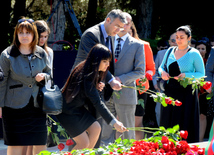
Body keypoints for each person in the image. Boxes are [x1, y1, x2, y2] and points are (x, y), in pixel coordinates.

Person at [71, 9, 127, 148]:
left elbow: (107, 64)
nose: (119, 30)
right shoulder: (91, 34)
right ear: (108, 20)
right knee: (81, 135)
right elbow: (96, 62)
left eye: (122, 28)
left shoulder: (110, 35)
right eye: (117, 26)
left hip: (97, 87)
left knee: (96, 131)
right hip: (82, 88)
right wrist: (111, 80)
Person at [56, 44, 127, 150]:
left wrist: (96, 85)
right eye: (104, 61)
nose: (107, 65)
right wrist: (114, 122)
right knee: (83, 143)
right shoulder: (87, 75)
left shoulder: (89, 69)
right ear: (96, 60)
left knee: (96, 128)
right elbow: (98, 103)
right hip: (67, 111)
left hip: (77, 109)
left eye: (108, 62)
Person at [0, 17, 51, 155]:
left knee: (41, 146)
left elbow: (49, 76)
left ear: (33, 34)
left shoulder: (41, 53)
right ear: (16, 34)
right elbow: (2, 82)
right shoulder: (7, 55)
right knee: (16, 147)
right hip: (13, 108)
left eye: (27, 33)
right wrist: (0, 105)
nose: (24, 36)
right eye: (21, 32)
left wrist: (44, 77)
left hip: (37, 107)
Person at [101, 12, 145, 145]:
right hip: (106, 92)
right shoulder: (107, 40)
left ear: (130, 25)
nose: (123, 26)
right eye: (121, 23)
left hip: (126, 93)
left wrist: (121, 79)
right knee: (105, 132)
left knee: (127, 132)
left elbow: (140, 71)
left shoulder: (137, 45)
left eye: (127, 23)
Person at [159, 26, 205, 142]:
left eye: (182, 37)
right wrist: (163, 73)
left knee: (185, 124)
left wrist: (186, 75)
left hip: (187, 93)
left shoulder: (194, 53)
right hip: (170, 91)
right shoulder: (170, 50)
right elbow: (160, 67)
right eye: (177, 38)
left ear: (189, 38)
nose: (178, 40)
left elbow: (201, 74)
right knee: (168, 122)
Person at [128, 22, 155, 140]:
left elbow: (151, 68)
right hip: (121, 87)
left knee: (137, 123)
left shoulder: (144, 45)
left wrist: (146, 75)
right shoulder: (115, 45)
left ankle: (139, 149)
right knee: (120, 122)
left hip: (139, 88)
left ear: (133, 32)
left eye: (128, 32)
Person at [152, 33, 177, 126]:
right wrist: (155, 83)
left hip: (178, 88)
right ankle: (163, 133)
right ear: (169, 42)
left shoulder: (186, 54)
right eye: (173, 40)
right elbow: (155, 69)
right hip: (161, 87)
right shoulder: (161, 53)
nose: (175, 42)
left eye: (177, 40)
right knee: (159, 112)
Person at [196, 40, 211, 142]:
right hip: (192, 91)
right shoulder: (192, 60)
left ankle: (200, 140)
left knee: (202, 115)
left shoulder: (208, 62)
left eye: (203, 49)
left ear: (206, 50)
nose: (200, 51)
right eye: (198, 48)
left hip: (204, 92)